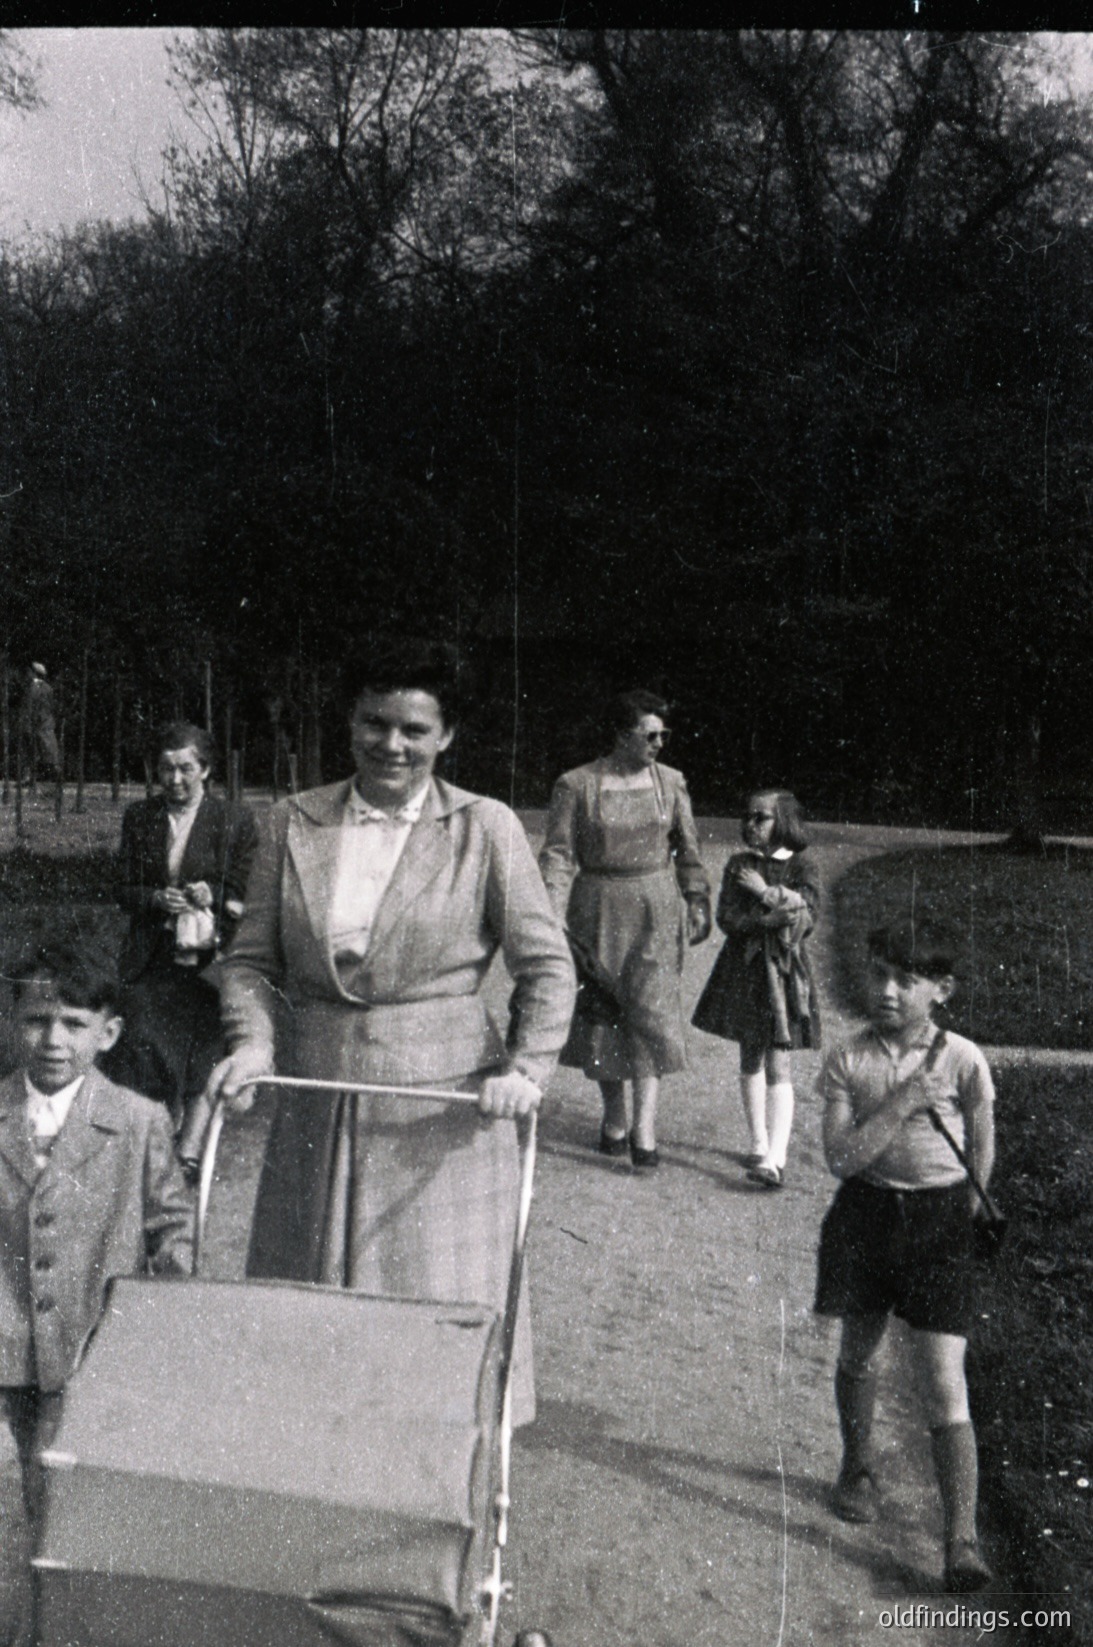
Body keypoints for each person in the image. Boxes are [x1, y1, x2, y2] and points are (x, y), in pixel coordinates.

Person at [207, 638, 575, 1427]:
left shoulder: (486, 828)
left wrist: (527, 1067)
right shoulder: (291, 821)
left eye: (414, 728)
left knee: (434, 1311)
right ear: (350, 724)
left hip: (440, 1114)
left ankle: (442, 1495)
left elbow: (546, 967)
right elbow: (248, 962)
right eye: (375, 723)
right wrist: (254, 1042)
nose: (392, 745)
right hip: (318, 1094)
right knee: (307, 1318)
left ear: (446, 737)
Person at [0, 933, 193, 1644]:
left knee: (76, 1510)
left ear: (107, 1032)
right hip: (2, 1350)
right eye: (35, 1019)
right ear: (12, 1021)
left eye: (75, 1023)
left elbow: (173, 1233)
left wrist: (160, 1333)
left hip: (88, 1353)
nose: (53, 1039)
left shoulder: (139, 1122)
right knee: (5, 1516)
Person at [813, 919, 995, 1594]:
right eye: (877, 974)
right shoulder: (848, 1057)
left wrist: (963, 1214)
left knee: (944, 1379)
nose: (886, 991)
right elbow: (840, 1157)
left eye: (905, 979)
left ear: (939, 989)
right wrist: (900, 1102)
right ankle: (856, 1464)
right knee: (858, 1352)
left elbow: (981, 1138)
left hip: (939, 1224)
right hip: (864, 1216)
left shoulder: (964, 1057)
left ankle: (960, 1538)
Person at [538, 690, 711, 1169]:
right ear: (619, 735)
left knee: (651, 1014)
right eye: (649, 734)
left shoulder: (671, 782)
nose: (659, 743)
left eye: (664, 735)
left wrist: (697, 897)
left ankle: (645, 1125)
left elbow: (688, 846)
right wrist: (552, 916)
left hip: (656, 907)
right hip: (597, 908)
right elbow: (556, 855)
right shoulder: (576, 785)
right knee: (603, 1013)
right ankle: (614, 1115)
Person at [103, 723, 258, 1160]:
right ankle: (150, 1146)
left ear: (205, 769)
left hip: (212, 956)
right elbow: (121, 888)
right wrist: (154, 897)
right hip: (153, 956)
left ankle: (189, 1153)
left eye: (185, 769)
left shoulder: (234, 820)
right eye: (165, 770)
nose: (174, 780)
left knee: (205, 1047)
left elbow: (253, 885)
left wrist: (216, 892)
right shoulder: (141, 817)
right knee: (146, 1046)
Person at [691, 788, 819, 1189]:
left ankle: (776, 1158)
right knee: (750, 1055)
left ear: (782, 822)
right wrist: (766, 919)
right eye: (747, 816)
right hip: (745, 970)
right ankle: (758, 1143)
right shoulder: (738, 865)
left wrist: (764, 894)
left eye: (760, 818)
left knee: (779, 1060)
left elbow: (805, 915)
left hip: (784, 975)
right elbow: (728, 918)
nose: (750, 824)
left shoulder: (801, 865)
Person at [17, 663, 60, 785]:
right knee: (37, 750)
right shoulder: (37, 687)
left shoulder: (38, 688)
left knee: (44, 749)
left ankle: (52, 775)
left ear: (33, 673)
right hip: (38, 723)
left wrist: (35, 720)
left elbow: (40, 707)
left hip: (40, 723)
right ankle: (31, 777)